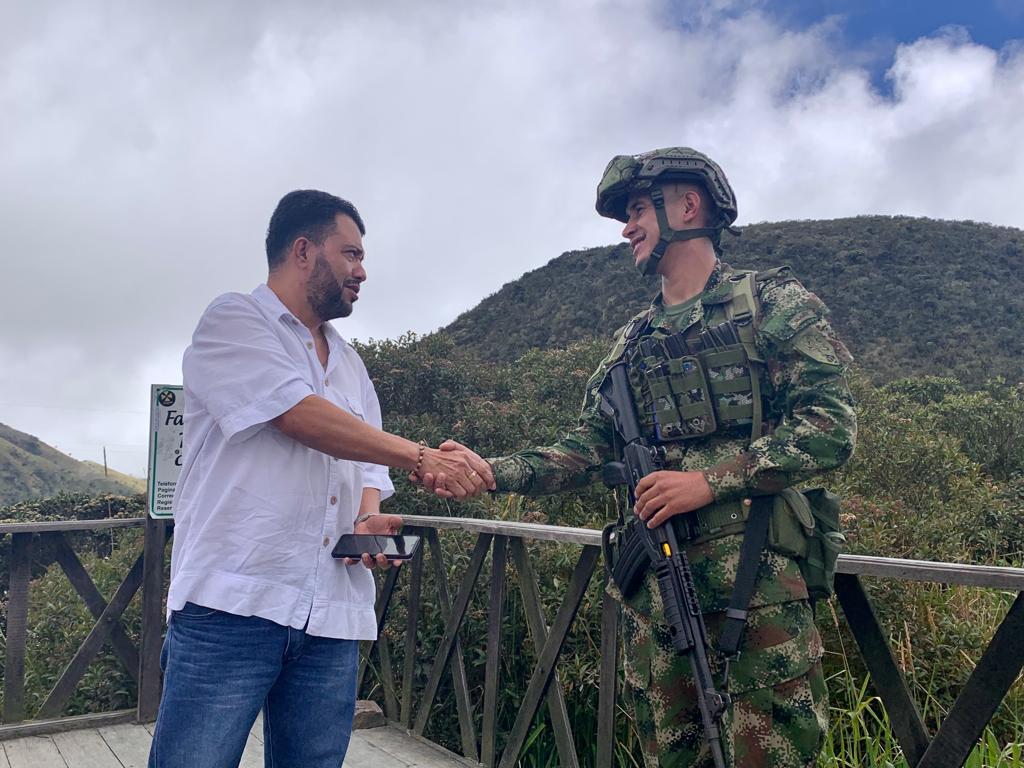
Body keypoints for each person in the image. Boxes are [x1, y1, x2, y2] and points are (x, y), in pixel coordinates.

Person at [423, 148, 856, 766]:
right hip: (660, 597)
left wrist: (706, 482)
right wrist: (494, 471)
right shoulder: (634, 342)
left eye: (636, 210)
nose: (626, 228)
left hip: (760, 591)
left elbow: (830, 429)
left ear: (688, 205)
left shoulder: (773, 306)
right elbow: (588, 444)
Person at [148, 189, 494, 768]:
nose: (362, 272)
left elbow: (366, 469)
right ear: (303, 250)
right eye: (351, 254)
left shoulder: (351, 364)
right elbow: (296, 413)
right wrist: (424, 456)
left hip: (332, 612)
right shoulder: (233, 320)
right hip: (233, 601)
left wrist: (368, 522)